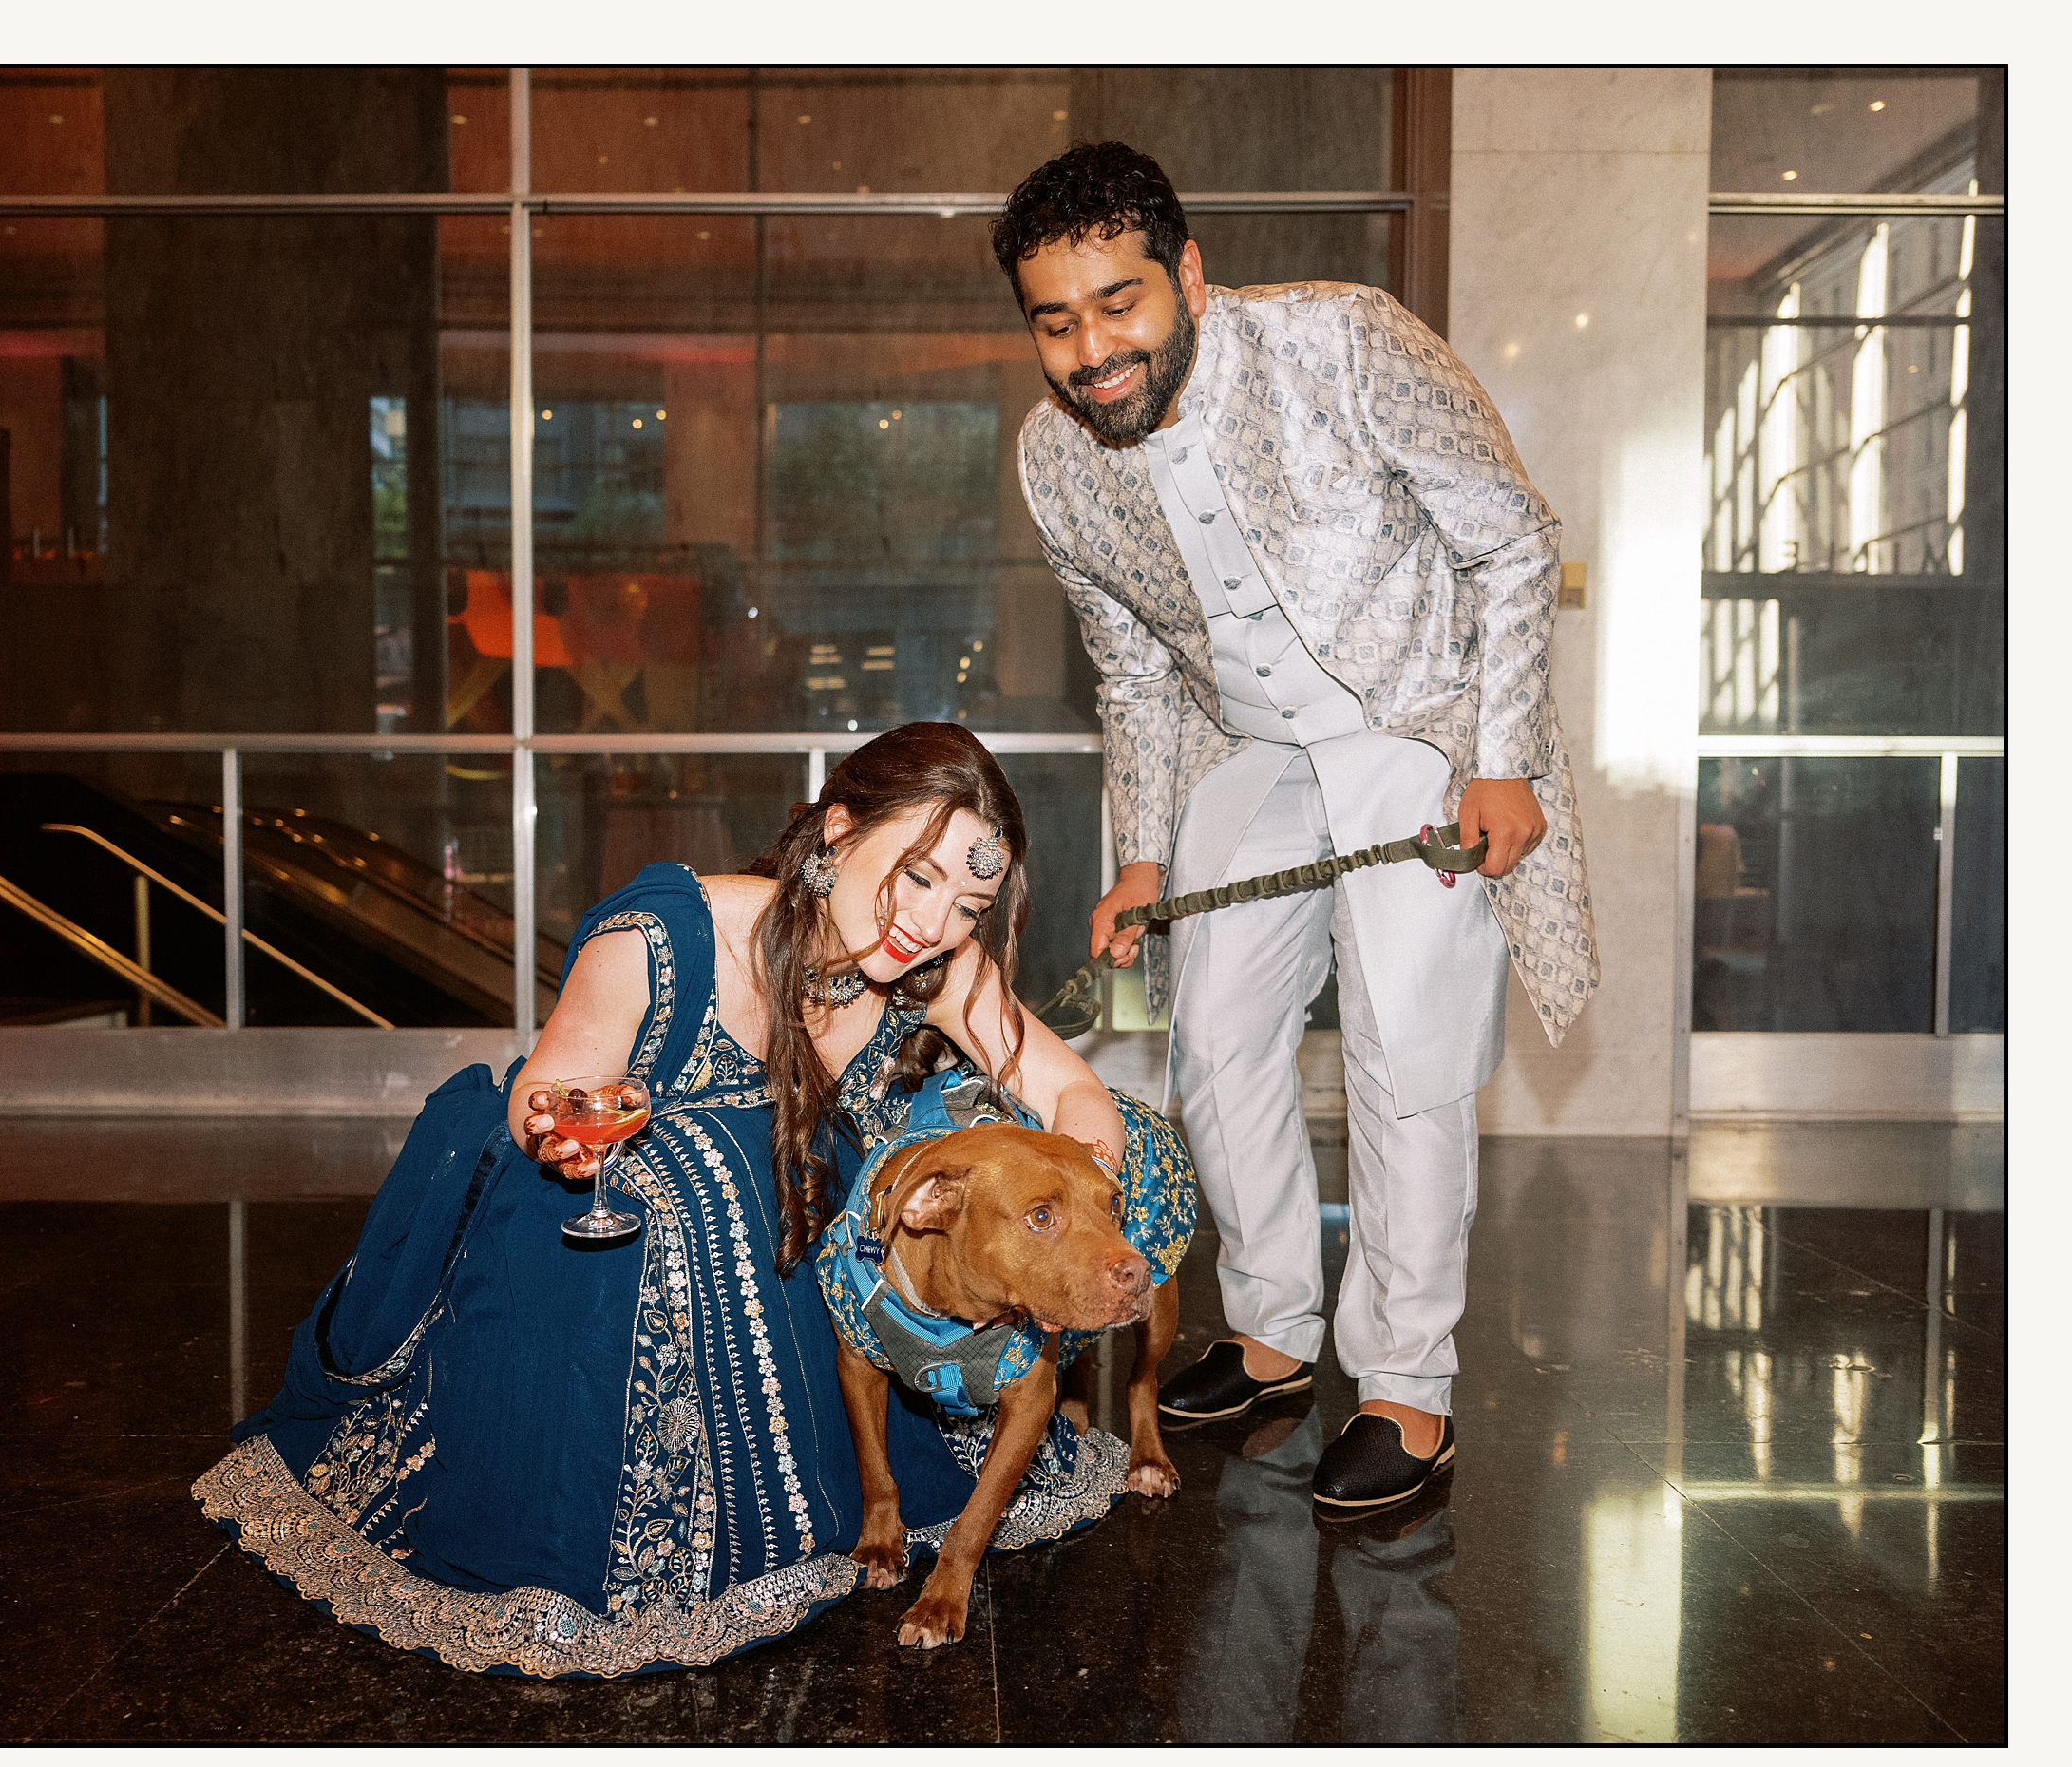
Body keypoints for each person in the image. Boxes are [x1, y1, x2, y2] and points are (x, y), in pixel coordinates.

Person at [193, 722, 1137, 1679]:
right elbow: (548, 1093)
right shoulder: (667, 932)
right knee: (651, 1235)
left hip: (806, 1241)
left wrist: (1094, 1170)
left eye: (969, 902)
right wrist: (561, 1131)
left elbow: (1071, 1088)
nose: (932, 924)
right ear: (838, 834)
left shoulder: (937, 967)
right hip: (621, 1234)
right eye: (918, 876)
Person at [995, 142, 1600, 1512]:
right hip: (1245, 753)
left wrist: (1500, 764)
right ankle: (1272, 1330)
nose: (1091, 348)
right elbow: (1136, 667)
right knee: (1212, 1046)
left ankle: (1407, 1387)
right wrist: (1143, 850)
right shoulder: (1055, 459)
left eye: (1120, 302)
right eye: (1056, 319)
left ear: (1189, 273)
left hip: (1417, 728)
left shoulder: (1342, 341)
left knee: (1408, 1059)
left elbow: (1508, 540)